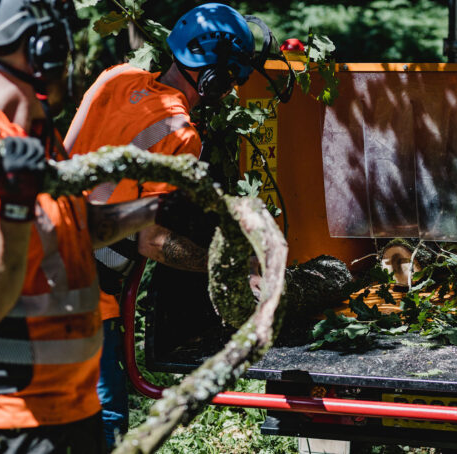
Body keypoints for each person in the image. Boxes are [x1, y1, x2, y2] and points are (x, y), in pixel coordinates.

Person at [63, 3, 294, 449]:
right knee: (103, 422)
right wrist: (230, 268)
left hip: (38, 255)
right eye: (232, 77)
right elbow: (153, 242)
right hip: (84, 291)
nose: (230, 89)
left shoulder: (114, 77)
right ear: (214, 77)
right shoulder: (179, 132)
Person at [0, 0, 188, 452]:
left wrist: (153, 210)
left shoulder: (36, 133)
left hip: (73, 406)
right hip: (11, 421)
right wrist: (14, 206)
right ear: (43, 47)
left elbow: (75, 227)